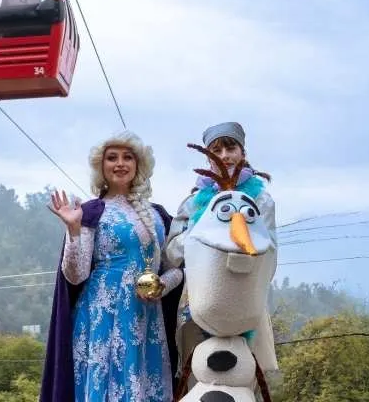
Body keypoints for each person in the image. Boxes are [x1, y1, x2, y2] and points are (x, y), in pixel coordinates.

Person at [39, 130, 184, 402]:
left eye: (127, 157)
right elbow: (76, 275)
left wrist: (162, 286)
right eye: (112, 158)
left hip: (146, 319)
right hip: (101, 319)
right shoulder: (91, 212)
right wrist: (73, 230)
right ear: (101, 166)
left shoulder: (159, 215)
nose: (120, 163)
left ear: (138, 165)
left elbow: (177, 269)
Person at [164, 121, 278, 391]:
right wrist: (200, 227)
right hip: (200, 303)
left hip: (246, 303)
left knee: (244, 377)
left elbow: (270, 252)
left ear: (243, 152)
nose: (225, 155)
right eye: (216, 149)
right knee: (199, 377)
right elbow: (171, 252)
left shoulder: (261, 201)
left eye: (231, 147)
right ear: (207, 157)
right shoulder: (193, 203)